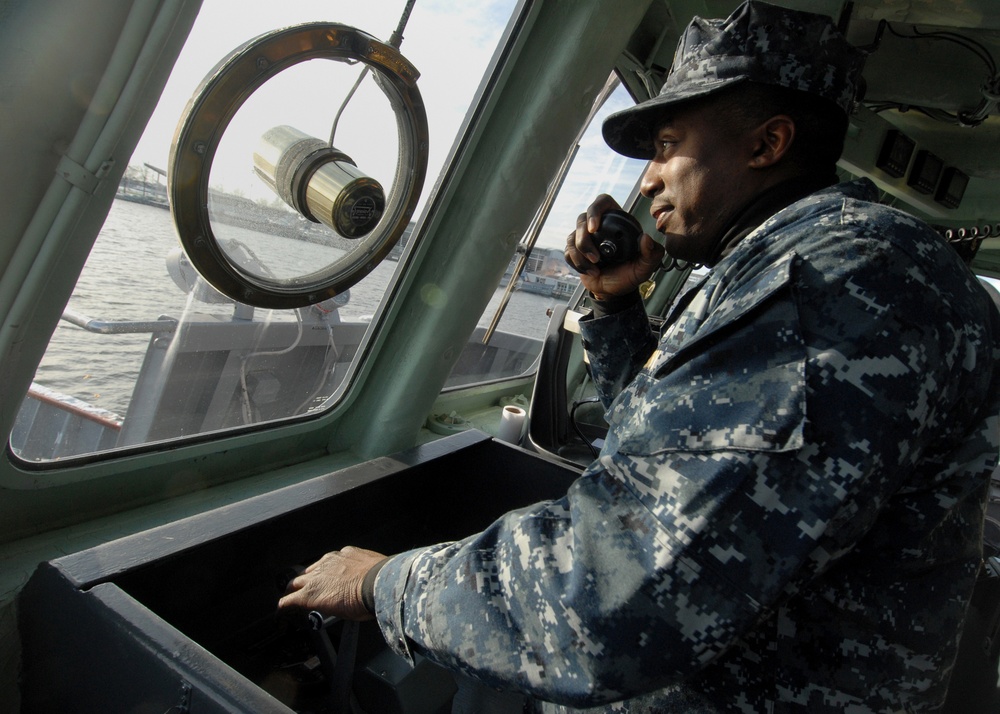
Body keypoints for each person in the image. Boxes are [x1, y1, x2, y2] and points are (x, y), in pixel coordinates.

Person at [278, 2, 1000, 711]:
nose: (648, 180)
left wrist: (388, 586)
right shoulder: (803, 260)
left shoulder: (831, 281)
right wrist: (620, 305)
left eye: (665, 147)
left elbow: (617, 599)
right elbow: (677, 448)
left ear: (766, 144)